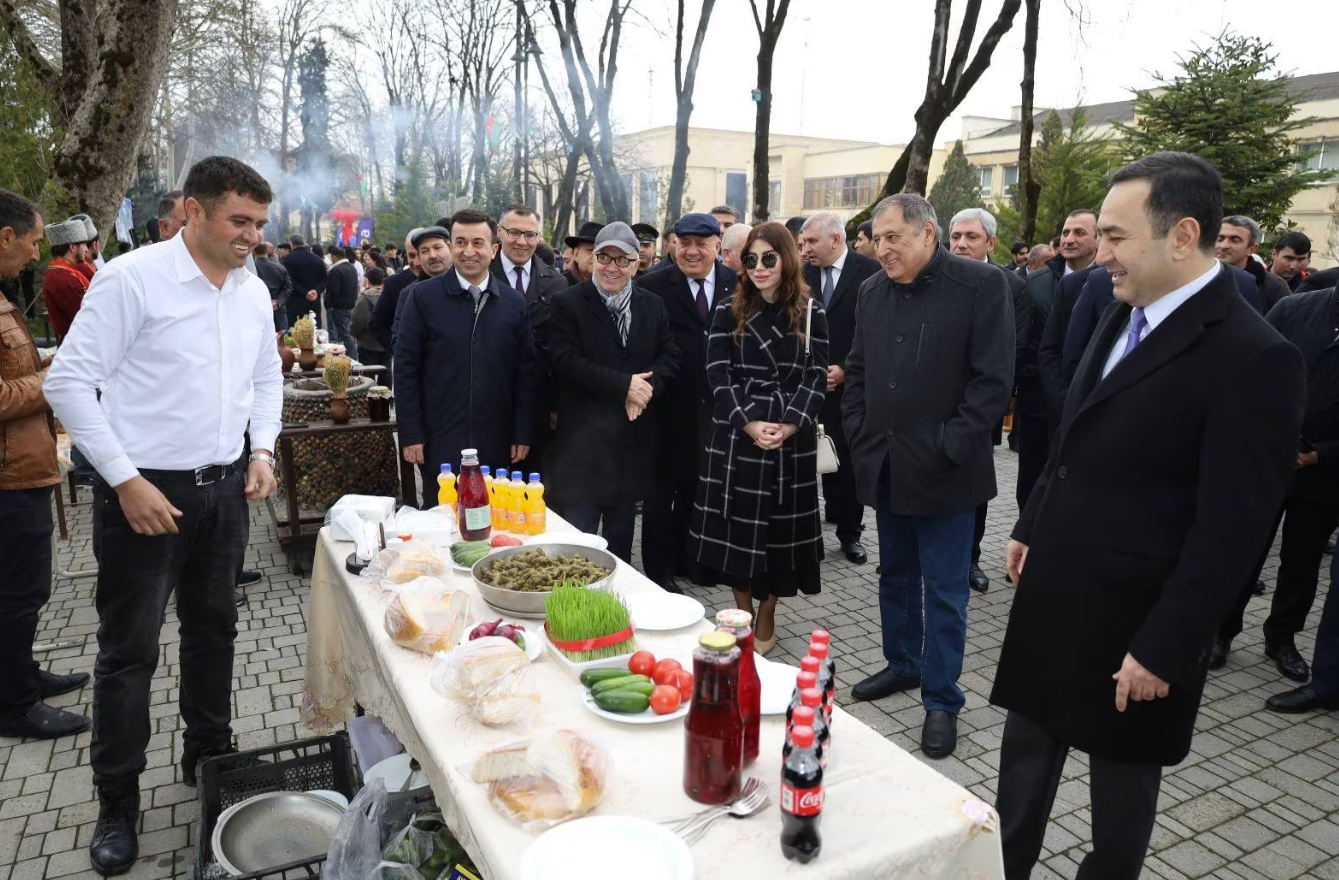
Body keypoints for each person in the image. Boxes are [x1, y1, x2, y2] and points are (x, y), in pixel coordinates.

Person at [991, 152, 1305, 880]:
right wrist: (1030, 522)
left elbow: (1234, 527)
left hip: (1138, 625)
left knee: (1117, 809)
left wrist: (1166, 646)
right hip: (1054, 597)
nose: (1097, 254)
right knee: (1019, 781)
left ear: (1181, 234)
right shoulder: (1116, 309)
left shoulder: (1254, 356)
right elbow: (1075, 435)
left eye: (1113, 236)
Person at [44, 157, 284, 876]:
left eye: (259, 224)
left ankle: (208, 755)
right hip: (144, 496)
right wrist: (124, 479)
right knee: (129, 654)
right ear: (193, 210)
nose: (251, 237)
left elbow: (265, 375)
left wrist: (263, 448)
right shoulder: (131, 277)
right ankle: (116, 799)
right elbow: (68, 383)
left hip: (224, 492)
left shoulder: (251, 289)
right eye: (238, 221)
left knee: (215, 632)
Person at [843, 194, 1013, 760]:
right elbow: (860, 367)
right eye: (878, 237)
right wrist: (861, 432)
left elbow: (992, 382)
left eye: (894, 237)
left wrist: (950, 445)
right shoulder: (871, 290)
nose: (882, 247)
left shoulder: (980, 287)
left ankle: (942, 700)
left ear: (928, 235)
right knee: (895, 575)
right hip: (886, 464)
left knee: (944, 592)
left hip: (945, 471)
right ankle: (903, 665)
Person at [691, 222, 828, 655]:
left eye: (769, 258)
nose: (760, 267)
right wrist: (749, 422)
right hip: (737, 438)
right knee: (736, 536)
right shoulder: (727, 308)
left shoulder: (810, 310)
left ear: (787, 258)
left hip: (790, 440)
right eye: (751, 259)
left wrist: (789, 424)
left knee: (781, 538)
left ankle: (768, 611)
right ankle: (742, 610)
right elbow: (717, 373)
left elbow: (816, 376)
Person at [0, 189, 92, 742]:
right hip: (8, 478)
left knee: (26, 590)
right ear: (5, 236)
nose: (37, 254)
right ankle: (14, 703)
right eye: (33, 242)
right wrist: (53, 380)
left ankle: (21, 674)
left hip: (24, 468)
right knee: (17, 591)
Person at [548, 223, 682, 561]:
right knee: (579, 547)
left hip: (631, 447)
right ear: (592, 259)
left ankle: (615, 608)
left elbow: (670, 355)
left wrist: (645, 390)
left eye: (623, 260)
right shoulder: (567, 302)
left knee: (620, 543)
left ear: (637, 264)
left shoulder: (652, 304)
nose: (612, 267)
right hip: (584, 449)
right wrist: (625, 386)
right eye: (605, 257)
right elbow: (565, 361)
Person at [395, 209, 538, 494]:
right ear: (451, 246)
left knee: (494, 516)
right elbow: (405, 367)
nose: (468, 251)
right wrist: (411, 433)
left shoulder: (513, 303)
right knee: (443, 516)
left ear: (494, 249)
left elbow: (526, 372)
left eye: (478, 242)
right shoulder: (423, 297)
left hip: (496, 437)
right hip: (440, 436)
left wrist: (522, 431)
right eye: (460, 242)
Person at [639, 213, 738, 592]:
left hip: (716, 410)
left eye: (702, 243)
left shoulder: (736, 284)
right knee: (661, 495)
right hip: (667, 409)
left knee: (700, 491)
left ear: (718, 246)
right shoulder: (652, 286)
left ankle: (692, 561)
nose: (692, 251)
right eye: (685, 243)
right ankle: (659, 571)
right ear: (673, 245)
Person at [948, 207, 1031, 591]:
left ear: (991, 243)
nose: (961, 243)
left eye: (971, 237)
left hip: (980, 409)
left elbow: (1012, 351)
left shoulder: (1010, 287)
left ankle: (970, 558)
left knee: (973, 486)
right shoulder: (935, 279)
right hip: (932, 405)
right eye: (956, 236)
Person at [799, 212, 879, 565]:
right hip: (806, 385)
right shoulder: (800, 275)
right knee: (806, 461)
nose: (805, 249)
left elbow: (875, 331)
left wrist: (847, 368)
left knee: (846, 462)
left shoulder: (870, 273)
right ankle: (807, 537)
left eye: (811, 242)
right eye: (802, 243)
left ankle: (850, 535)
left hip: (850, 387)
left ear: (835, 239)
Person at [491, 205, 568, 479]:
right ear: (499, 233)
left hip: (538, 404)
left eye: (530, 234)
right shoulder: (481, 275)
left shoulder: (556, 283)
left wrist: (557, 405)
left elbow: (562, 350)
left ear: (539, 238)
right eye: (514, 233)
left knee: (532, 488)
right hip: (490, 400)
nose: (521, 241)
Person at [1217, 215, 1290, 312]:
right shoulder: (1195, 277)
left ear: (1251, 249)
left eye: (1235, 240)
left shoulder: (1273, 287)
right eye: (1220, 239)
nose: (1224, 245)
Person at [368, 229, 423, 354]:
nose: (417, 262)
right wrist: (400, 352)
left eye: (421, 254)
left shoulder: (452, 281)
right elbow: (376, 323)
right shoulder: (395, 283)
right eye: (412, 256)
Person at [40, 219, 93, 340]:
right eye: (83, 244)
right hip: (80, 344)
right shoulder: (63, 278)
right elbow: (86, 319)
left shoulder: (62, 272)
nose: (86, 249)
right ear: (72, 247)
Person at [280, 234, 327, 328]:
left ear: (291, 244)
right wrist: (316, 291)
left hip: (295, 303)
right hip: (314, 302)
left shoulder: (286, 260)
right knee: (314, 331)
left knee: (296, 333)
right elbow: (325, 279)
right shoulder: (317, 259)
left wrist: (304, 293)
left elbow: (289, 282)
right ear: (304, 243)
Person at [351, 267, 388, 374]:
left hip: (367, 342)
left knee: (367, 373)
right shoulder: (388, 296)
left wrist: (354, 333)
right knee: (386, 373)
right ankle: (386, 391)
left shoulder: (364, 298)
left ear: (368, 280)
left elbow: (358, 319)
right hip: (386, 343)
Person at [325, 244, 359, 358]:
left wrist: (329, 304)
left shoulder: (336, 270)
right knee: (346, 332)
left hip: (338, 306)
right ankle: (350, 355)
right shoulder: (352, 267)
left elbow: (334, 290)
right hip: (350, 304)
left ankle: (354, 357)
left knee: (344, 334)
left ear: (334, 257)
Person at [252, 242, 293, 333]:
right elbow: (288, 288)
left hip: (257, 310)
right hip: (278, 309)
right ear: (267, 251)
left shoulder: (249, 270)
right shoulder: (280, 268)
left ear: (253, 251)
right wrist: (278, 302)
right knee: (283, 340)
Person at [562, 221, 601, 286]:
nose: (596, 256)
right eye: (591, 250)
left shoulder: (612, 289)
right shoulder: (559, 285)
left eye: (602, 253)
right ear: (576, 254)